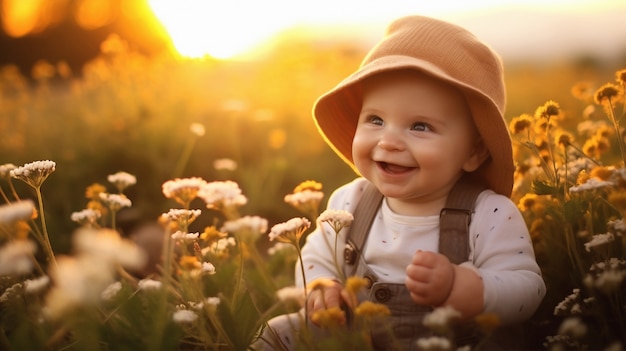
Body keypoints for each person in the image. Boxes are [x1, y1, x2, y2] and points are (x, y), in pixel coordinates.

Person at [254, 15, 546, 350]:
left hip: (450, 341)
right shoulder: (351, 201)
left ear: (475, 151)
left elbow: (527, 288)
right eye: (375, 119)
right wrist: (323, 285)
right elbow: (318, 255)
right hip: (355, 338)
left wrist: (463, 287)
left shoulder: (489, 212)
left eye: (420, 126)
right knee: (279, 331)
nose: (388, 141)